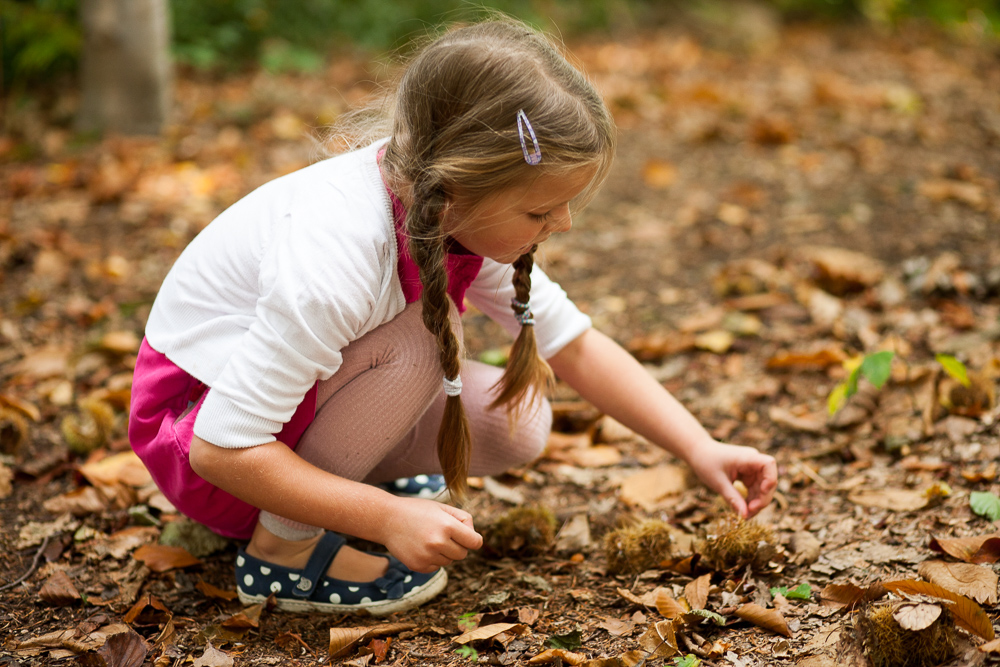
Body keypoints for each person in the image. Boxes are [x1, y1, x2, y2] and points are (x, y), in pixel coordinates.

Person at [128, 19, 777, 616]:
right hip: (199, 435)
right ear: (457, 185)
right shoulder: (336, 257)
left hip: (283, 413)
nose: (564, 225)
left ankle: (337, 485)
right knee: (421, 344)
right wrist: (384, 518)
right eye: (541, 212)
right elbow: (221, 446)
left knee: (519, 420)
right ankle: (283, 551)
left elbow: (574, 346)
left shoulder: (450, 214)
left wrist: (698, 444)